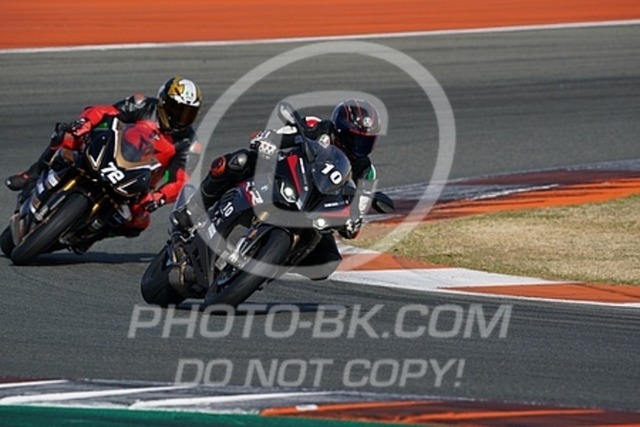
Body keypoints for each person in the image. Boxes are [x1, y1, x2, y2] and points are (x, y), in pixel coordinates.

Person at [198, 98, 381, 280]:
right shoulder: (316, 126)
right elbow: (281, 135)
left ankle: (269, 266)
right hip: (283, 176)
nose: (358, 146)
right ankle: (195, 208)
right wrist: (267, 140)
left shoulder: (366, 172)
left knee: (327, 261)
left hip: (315, 211)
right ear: (339, 129)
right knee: (238, 161)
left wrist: (353, 222)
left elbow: (358, 209)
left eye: (366, 142)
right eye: (353, 138)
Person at [5, 76, 203, 237]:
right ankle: (32, 173)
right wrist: (85, 123)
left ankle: (91, 235)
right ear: (163, 102)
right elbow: (104, 111)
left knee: (139, 221)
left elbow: (181, 180)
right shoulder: (142, 105)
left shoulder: (188, 143)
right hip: (109, 152)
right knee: (66, 137)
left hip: (137, 183)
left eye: (189, 113)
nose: (181, 118)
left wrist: (159, 197)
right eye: (177, 110)